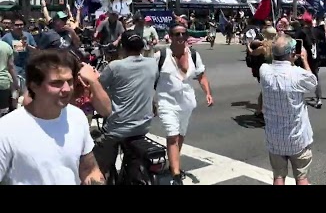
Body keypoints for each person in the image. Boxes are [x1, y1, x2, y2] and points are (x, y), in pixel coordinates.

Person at [0, 49, 106, 185]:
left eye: (69, 81)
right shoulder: (6, 129)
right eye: (57, 83)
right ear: (33, 86)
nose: (67, 89)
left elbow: (89, 168)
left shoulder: (77, 117)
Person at [92, 31, 157, 182]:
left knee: (98, 169)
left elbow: (98, 88)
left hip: (117, 128)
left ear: (123, 47)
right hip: (142, 126)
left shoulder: (114, 66)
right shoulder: (152, 64)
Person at [155, 22, 213, 185]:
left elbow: (201, 76)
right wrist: (151, 99)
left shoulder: (194, 55)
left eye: (183, 34)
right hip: (166, 103)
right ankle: (175, 175)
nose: (180, 37)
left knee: (180, 136)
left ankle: (174, 164)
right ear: (170, 36)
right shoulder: (161, 56)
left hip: (187, 103)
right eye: (176, 34)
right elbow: (151, 78)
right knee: (172, 136)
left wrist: (208, 93)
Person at [259, 35, 318, 185]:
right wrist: (304, 59)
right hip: (297, 137)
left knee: (278, 176)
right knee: (301, 177)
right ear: (293, 53)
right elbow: (313, 83)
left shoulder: (264, 70)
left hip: (274, 137)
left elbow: (270, 61)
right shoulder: (297, 74)